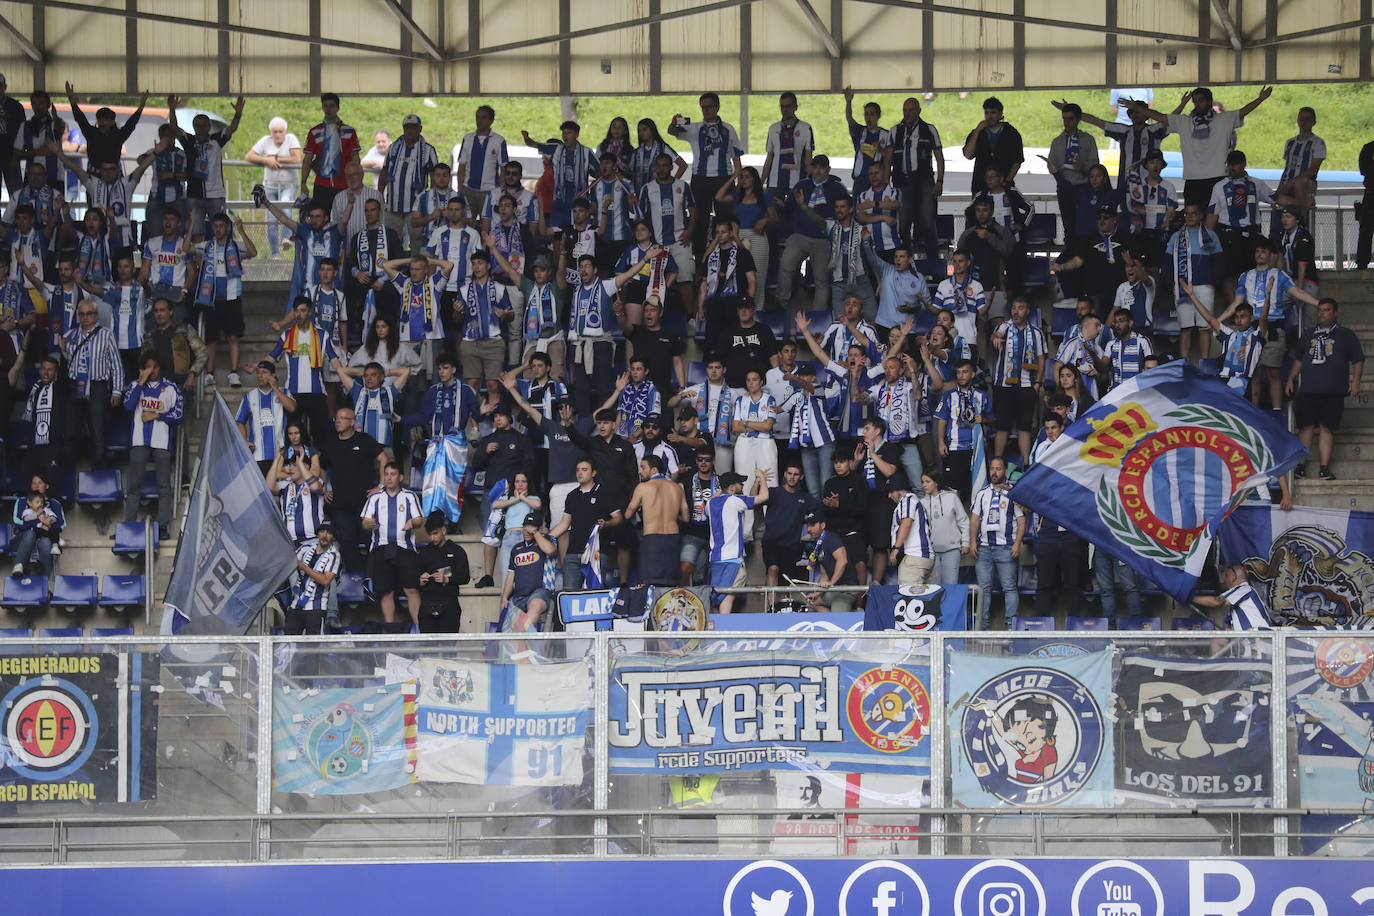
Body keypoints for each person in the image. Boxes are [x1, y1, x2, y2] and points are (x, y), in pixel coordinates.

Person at [1125, 86, 1272, 208]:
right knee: (1193, 221)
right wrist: (1137, 108)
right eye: (1194, 101)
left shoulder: (1223, 119)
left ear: (1209, 101)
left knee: (1216, 221)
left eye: (1201, 100)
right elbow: (1160, 116)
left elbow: (1243, 111)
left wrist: (1261, 98)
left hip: (1218, 179)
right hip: (1193, 180)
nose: (1197, 104)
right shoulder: (1185, 122)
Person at [1288, 299, 1364, 481]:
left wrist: (1355, 382)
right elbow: (1298, 359)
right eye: (1320, 310)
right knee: (1305, 428)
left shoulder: (1346, 335)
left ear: (1336, 312)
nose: (1322, 313)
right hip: (1308, 390)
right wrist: (1291, 378)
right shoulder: (1307, 334)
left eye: (1327, 310)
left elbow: (1358, 359)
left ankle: (1324, 468)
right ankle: (1300, 466)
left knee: (1326, 428)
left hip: (1333, 391)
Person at [669, 92, 744, 259]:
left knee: (725, 221)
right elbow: (671, 131)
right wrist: (674, 122)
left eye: (709, 107)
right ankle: (701, 265)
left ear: (717, 107)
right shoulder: (694, 128)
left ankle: (725, 259)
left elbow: (737, 160)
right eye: (703, 107)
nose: (706, 110)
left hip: (724, 179)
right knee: (699, 222)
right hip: (700, 179)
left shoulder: (729, 129)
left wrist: (738, 185)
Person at [261, 297, 347, 440]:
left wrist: (344, 378)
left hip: (316, 392)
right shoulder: (287, 335)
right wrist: (257, 365)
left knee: (320, 435)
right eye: (296, 311)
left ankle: (319, 461)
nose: (299, 315)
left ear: (310, 312)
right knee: (293, 433)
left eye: (303, 311)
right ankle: (296, 461)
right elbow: (272, 357)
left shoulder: (321, 335)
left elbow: (334, 360)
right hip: (293, 393)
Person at [318, 406, 387, 571]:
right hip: (340, 505)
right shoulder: (330, 443)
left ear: (352, 421)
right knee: (347, 543)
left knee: (371, 540)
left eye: (342, 418)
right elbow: (319, 466)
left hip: (364, 503)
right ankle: (353, 581)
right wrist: (325, 487)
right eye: (337, 418)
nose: (338, 421)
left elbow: (384, 459)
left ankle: (372, 576)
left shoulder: (365, 440)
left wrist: (381, 486)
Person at [192, 211, 256, 387]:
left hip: (232, 297)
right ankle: (210, 373)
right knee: (211, 338)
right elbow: (186, 248)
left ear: (228, 228)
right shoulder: (206, 246)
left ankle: (234, 373)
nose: (219, 230)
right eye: (215, 226)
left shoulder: (236, 246)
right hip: (212, 297)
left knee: (233, 337)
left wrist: (242, 231)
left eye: (222, 226)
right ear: (212, 228)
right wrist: (191, 224)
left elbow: (253, 252)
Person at [122, 354, 184, 532]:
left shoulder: (171, 387)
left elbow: (179, 415)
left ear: (160, 368)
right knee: (134, 485)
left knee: (164, 486)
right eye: (148, 366)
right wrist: (141, 383)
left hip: (162, 442)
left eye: (155, 366)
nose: (152, 370)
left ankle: (163, 526)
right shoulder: (135, 385)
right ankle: (129, 526)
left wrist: (157, 415)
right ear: (143, 368)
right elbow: (128, 406)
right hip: (139, 441)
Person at [167, 95, 244, 239]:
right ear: (194, 126)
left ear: (209, 127)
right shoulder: (188, 140)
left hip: (216, 194)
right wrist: (172, 109)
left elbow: (232, 128)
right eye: (197, 126)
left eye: (204, 126)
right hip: (194, 194)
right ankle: (199, 261)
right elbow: (174, 128)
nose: (201, 129)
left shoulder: (216, 140)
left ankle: (220, 260)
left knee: (220, 232)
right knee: (196, 232)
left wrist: (238, 113)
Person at [59, 299, 123, 470]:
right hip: (75, 386)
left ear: (96, 315)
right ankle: (67, 474)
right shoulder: (71, 335)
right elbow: (71, 363)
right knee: (71, 431)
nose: (86, 317)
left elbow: (116, 365)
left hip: (97, 387)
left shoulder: (106, 334)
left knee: (96, 432)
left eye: (89, 314)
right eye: (82, 314)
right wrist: (64, 352)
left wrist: (116, 391)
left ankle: (98, 473)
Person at [361, 461, 426, 630]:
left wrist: (413, 522)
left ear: (400, 477)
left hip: (406, 549)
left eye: (393, 474)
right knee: (386, 590)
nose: (389, 478)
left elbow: (419, 519)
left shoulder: (409, 496)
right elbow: (365, 522)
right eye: (386, 474)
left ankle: (419, 629)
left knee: (411, 589)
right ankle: (389, 629)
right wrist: (369, 524)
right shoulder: (374, 498)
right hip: (380, 548)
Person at [776, 156, 845, 313]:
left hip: (823, 240)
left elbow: (844, 211)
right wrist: (782, 206)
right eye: (815, 167)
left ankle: (818, 316)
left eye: (822, 167)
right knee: (786, 264)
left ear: (828, 169)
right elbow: (789, 209)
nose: (818, 170)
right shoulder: (801, 185)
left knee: (821, 279)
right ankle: (781, 303)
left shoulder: (837, 188)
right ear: (811, 169)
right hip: (800, 236)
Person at [259, 195, 346, 310]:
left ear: (326, 218)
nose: (314, 220)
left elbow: (345, 220)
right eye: (312, 217)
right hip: (308, 292)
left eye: (318, 217)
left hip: (331, 292)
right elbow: (283, 219)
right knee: (306, 327)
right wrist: (266, 202)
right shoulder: (305, 231)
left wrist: (350, 203)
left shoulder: (335, 232)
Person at [549, 457, 623, 592]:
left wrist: (607, 523)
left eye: (584, 469)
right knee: (569, 596)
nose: (580, 473)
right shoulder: (571, 495)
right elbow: (564, 524)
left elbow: (618, 518)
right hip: (572, 553)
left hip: (596, 553)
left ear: (594, 473)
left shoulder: (605, 492)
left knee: (594, 595)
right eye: (578, 470)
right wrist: (546, 537)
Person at [1165, 201, 1224, 365]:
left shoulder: (1210, 235)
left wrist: (1213, 282)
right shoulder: (1176, 237)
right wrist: (1172, 284)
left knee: (1205, 327)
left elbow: (1219, 261)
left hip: (1204, 286)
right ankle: (1184, 363)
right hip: (1183, 288)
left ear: (1200, 216)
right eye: (1186, 214)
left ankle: (1205, 363)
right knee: (1185, 327)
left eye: (1193, 213)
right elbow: (1167, 263)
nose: (1189, 217)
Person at [990, 296, 1047, 466]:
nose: (1016, 311)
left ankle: (1026, 465)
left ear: (1027, 311)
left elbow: (1041, 359)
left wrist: (1037, 384)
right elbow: (996, 334)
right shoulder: (1004, 327)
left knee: (1025, 427)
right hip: (1003, 385)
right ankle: (997, 464)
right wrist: (995, 338)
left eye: (1020, 308)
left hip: (1027, 385)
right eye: (1013, 308)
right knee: (1002, 426)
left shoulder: (1036, 332)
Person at [969, 455, 1024, 629]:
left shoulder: (1013, 493)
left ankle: (1011, 625)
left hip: (1006, 547)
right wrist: (972, 542)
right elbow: (975, 520)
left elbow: (1022, 521)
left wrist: (1017, 544)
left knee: (1009, 587)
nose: (994, 472)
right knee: (983, 588)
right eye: (992, 468)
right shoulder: (982, 493)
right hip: (984, 548)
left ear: (1005, 471)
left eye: (998, 469)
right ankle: (983, 626)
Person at [1183, 281, 1263, 400]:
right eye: (1236, 317)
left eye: (1243, 317)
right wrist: (1192, 296)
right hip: (1222, 382)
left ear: (1251, 318)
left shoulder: (1257, 336)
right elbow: (1210, 319)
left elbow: (1265, 318)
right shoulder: (1229, 335)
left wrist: (1267, 293)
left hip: (1243, 383)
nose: (1239, 321)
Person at [707, 469, 769, 613]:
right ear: (732, 488)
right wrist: (762, 478)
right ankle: (723, 633)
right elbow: (764, 497)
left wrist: (719, 491)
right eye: (740, 484)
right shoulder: (735, 500)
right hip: (733, 559)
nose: (742, 486)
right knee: (728, 597)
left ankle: (719, 630)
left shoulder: (710, 504)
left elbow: (713, 499)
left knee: (717, 597)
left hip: (715, 559)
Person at [890, 97, 944, 259]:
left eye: (911, 110)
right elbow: (887, 159)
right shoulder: (895, 131)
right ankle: (906, 262)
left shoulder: (929, 130)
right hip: (902, 182)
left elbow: (939, 157)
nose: (907, 114)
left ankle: (934, 263)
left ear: (919, 111)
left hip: (924, 181)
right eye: (905, 110)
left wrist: (940, 181)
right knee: (903, 225)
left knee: (928, 222)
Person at [756, 463, 816, 606]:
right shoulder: (774, 492)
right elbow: (754, 499)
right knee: (773, 568)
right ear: (784, 474)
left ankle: (782, 610)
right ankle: (770, 608)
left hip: (792, 545)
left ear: (801, 477)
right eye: (789, 473)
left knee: (785, 581)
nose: (792, 477)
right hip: (771, 541)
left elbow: (821, 513)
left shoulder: (805, 498)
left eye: (796, 474)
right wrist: (757, 481)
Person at [625, 454, 689, 587]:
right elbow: (686, 518)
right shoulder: (677, 487)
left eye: (643, 467)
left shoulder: (643, 487)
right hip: (673, 538)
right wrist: (671, 511)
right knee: (671, 582)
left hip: (652, 538)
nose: (639, 471)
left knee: (651, 582)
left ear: (654, 470)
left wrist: (642, 507)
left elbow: (627, 514)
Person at [935, 359, 992, 500]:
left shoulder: (982, 395)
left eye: (965, 372)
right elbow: (941, 421)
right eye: (958, 372)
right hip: (955, 447)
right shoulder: (949, 395)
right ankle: (956, 520)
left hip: (977, 447)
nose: (961, 376)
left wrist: (983, 419)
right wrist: (941, 442)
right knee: (954, 487)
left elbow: (994, 419)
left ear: (972, 374)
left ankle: (977, 516)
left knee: (978, 484)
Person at [245, 117, 302, 258]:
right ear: (271, 132)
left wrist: (276, 159)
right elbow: (249, 156)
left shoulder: (291, 139)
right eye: (275, 132)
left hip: (288, 184)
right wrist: (265, 160)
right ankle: (275, 254)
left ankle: (287, 239)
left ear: (285, 131)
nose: (277, 135)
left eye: (280, 131)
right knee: (271, 220)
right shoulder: (265, 141)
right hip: (269, 186)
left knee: (285, 207)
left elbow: (297, 159)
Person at [669, 353, 735, 473]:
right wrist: (681, 395)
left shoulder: (734, 393)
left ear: (724, 369)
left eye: (717, 367)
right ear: (706, 369)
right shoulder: (695, 389)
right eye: (710, 368)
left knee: (723, 477)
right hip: (699, 441)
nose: (713, 371)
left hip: (722, 441)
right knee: (697, 476)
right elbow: (670, 404)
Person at [378, 114, 437, 248]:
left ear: (420, 129)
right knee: (392, 241)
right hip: (393, 206)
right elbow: (384, 172)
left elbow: (434, 177)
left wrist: (431, 199)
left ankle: (417, 268)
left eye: (413, 127)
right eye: (407, 127)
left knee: (417, 241)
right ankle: (395, 267)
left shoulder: (428, 150)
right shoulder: (393, 148)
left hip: (416, 208)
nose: (409, 131)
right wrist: (379, 194)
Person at [62, 82, 149, 174]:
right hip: (94, 175)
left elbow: (131, 124)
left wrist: (141, 106)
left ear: (112, 122)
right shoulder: (91, 133)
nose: (102, 122)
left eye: (105, 120)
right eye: (100, 119)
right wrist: (71, 100)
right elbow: (80, 119)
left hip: (113, 176)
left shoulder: (118, 135)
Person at [1044, 102, 1099, 241]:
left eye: (1070, 119)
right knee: (1069, 226)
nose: (1067, 122)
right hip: (1065, 188)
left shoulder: (1088, 140)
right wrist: (1055, 168)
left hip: (1084, 187)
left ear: (1078, 119)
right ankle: (1070, 253)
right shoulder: (1057, 142)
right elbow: (1051, 166)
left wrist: (1083, 166)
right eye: (1064, 119)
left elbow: (1095, 164)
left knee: (1085, 225)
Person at [298, 93, 361, 212]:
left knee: (345, 219)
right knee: (321, 220)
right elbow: (307, 159)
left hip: (344, 184)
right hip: (322, 184)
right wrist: (303, 182)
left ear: (338, 108)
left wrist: (356, 180)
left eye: (332, 106)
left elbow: (355, 158)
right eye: (325, 105)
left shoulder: (349, 131)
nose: (328, 109)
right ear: (322, 107)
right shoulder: (315, 132)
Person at [500, 511, 558, 633]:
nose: (527, 532)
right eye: (525, 528)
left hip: (540, 591)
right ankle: (520, 642)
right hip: (519, 595)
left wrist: (535, 533)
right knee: (505, 628)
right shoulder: (517, 548)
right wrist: (505, 597)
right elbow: (511, 574)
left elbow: (550, 550)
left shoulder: (547, 540)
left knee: (535, 605)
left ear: (539, 529)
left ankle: (522, 635)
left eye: (531, 529)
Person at [414, 511, 470, 633]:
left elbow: (465, 577)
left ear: (443, 530)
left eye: (435, 533)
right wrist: (421, 580)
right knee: (428, 647)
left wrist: (447, 579)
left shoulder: (457, 551)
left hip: (449, 601)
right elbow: (413, 579)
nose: (432, 538)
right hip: (427, 601)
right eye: (430, 535)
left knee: (449, 647)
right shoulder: (424, 553)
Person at [236, 361, 296, 474]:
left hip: (281, 453)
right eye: (258, 373)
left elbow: (292, 408)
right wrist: (244, 440)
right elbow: (240, 421)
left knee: (279, 489)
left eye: (264, 372)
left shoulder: (284, 392)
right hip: (257, 455)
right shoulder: (249, 396)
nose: (259, 375)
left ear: (273, 375)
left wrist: (276, 388)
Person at [140, 297, 206, 392]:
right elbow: (143, 361)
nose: (159, 314)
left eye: (162, 310)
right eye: (156, 311)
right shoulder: (149, 336)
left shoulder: (184, 330)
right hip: (156, 386)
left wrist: (192, 375)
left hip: (181, 385)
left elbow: (202, 353)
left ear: (170, 312)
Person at [455, 104, 509, 218]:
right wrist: (461, 189)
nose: (479, 121)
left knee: (488, 226)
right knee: (467, 225)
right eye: (477, 117)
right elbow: (461, 166)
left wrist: (499, 192)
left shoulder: (499, 141)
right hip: (468, 190)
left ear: (491, 120)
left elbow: (503, 169)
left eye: (483, 118)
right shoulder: (467, 138)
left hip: (489, 192)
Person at [962, 97, 1024, 194]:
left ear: (1000, 114)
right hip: (981, 183)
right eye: (987, 113)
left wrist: (1007, 181)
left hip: (1003, 182)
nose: (989, 116)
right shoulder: (978, 133)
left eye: (993, 113)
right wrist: (977, 131)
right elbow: (968, 154)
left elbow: (1018, 160)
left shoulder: (1011, 133)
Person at [761, 91, 813, 202]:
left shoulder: (805, 128)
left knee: (794, 216)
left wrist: (809, 181)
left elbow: (808, 158)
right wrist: (761, 182)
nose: (785, 110)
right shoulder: (773, 128)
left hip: (797, 181)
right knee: (773, 216)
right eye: (782, 106)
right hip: (775, 182)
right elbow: (769, 157)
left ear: (795, 107)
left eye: (788, 106)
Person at [918, 470, 968, 586]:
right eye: (922, 482)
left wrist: (966, 542)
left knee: (950, 587)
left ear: (936, 483)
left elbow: (963, 521)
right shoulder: (921, 502)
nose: (924, 485)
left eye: (927, 481)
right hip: (931, 552)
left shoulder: (951, 498)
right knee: (933, 588)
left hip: (951, 550)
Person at [802, 511, 856, 613]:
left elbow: (843, 560)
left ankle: (856, 613)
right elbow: (824, 575)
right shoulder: (819, 544)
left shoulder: (831, 538)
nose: (809, 529)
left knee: (838, 621)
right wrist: (817, 593)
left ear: (823, 525)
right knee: (811, 604)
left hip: (845, 590)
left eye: (813, 525)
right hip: (833, 591)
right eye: (808, 526)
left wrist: (831, 583)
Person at [680, 446, 720, 586]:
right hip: (692, 533)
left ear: (713, 461)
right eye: (700, 459)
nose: (703, 463)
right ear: (696, 461)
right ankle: (685, 599)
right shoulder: (686, 482)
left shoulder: (722, 482)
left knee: (714, 573)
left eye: (707, 460)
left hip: (716, 534)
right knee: (685, 568)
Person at [1192, 564, 1272, 630]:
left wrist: (1190, 598)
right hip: (1252, 642)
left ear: (1234, 577)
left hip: (1261, 639)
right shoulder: (1236, 602)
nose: (1224, 580)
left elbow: (1216, 601)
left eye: (1227, 576)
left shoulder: (1244, 589)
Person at [11, 482, 64, 580]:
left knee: (46, 542)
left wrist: (48, 521)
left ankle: (45, 581)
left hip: (42, 535)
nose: (40, 504)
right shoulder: (24, 507)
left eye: (41, 502)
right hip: (24, 538)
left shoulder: (52, 505)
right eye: (37, 502)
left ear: (47, 486)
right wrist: (39, 518)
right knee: (31, 533)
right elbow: (21, 522)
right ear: (30, 503)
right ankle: (19, 564)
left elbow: (58, 523)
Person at [887, 473, 933, 586]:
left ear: (898, 489)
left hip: (914, 558)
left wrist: (896, 548)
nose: (889, 495)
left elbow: (906, 523)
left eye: (891, 491)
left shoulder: (907, 499)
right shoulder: (911, 501)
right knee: (918, 599)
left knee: (910, 597)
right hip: (919, 557)